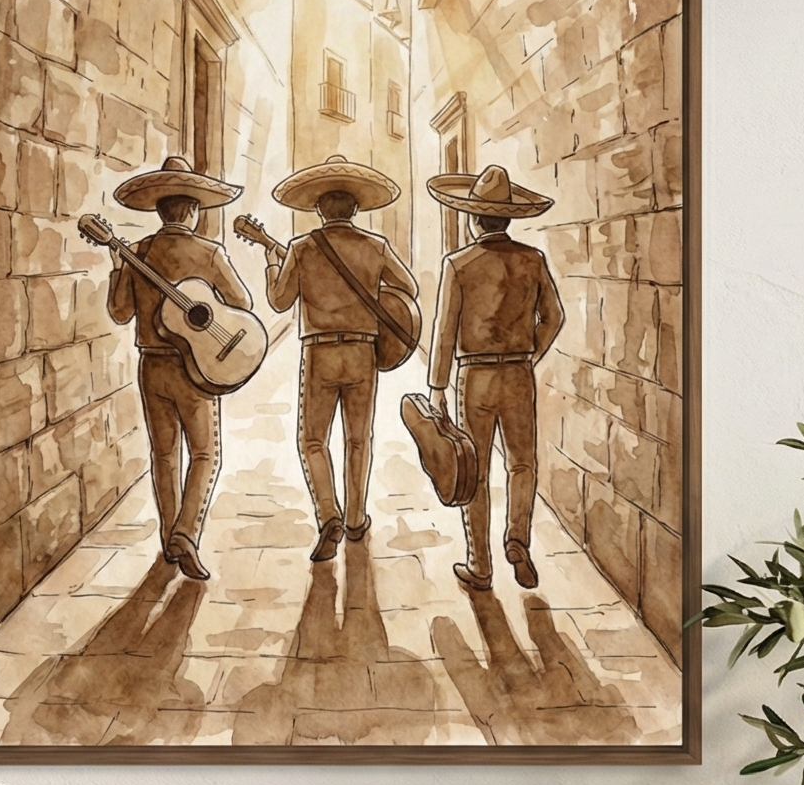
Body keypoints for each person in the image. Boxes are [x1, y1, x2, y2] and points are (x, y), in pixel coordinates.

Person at [260, 154, 422, 562]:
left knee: (313, 439)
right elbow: (410, 288)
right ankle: (354, 518)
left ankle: (327, 515)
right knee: (358, 439)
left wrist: (271, 263)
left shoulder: (301, 247)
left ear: (318, 208)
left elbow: (279, 301)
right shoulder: (376, 246)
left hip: (319, 351)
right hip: (363, 350)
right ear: (355, 209)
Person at [104, 153, 254, 582]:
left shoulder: (137, 253)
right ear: (192, 209)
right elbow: (242, 304)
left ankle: (170, 537)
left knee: (164, 454)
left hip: (152, 365)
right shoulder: (210, 253)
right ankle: (186, 533)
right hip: (196, 369)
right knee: (205, 453)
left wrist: (118, 271)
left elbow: (118, 312)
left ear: (160, 209)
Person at [426, 162, 566, 592]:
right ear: (507, 219)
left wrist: (437, 386)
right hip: (518, 372)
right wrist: (531, 354)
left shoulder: (459, 263)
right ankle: (518, 539)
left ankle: (480, 564)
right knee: (522, 462)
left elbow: (445, 329)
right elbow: (554, 317)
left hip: (475, 376)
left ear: (472, 220)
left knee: (476, 470)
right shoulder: (531, 259)